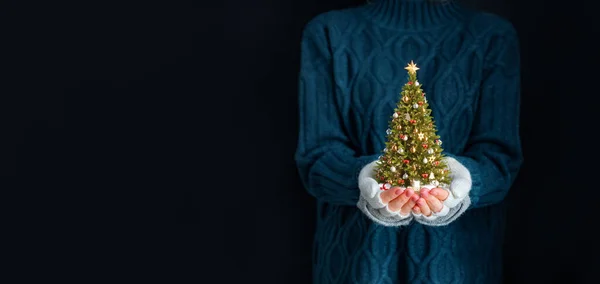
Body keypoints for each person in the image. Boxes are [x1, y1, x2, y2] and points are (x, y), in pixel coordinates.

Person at [294, 0, 523, 283]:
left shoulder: (491, 36)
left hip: (461, 267)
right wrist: (364, 179)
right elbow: (317, 158)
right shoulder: (329, 32)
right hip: (356, 267)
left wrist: (462, 182)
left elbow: (500, 159)